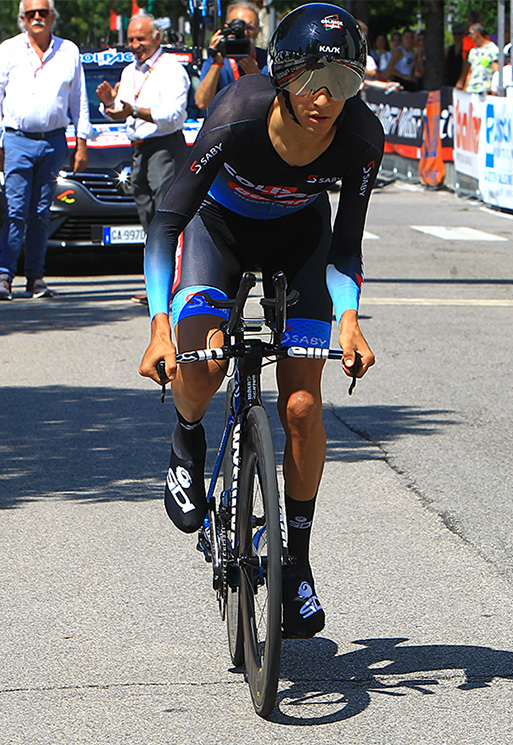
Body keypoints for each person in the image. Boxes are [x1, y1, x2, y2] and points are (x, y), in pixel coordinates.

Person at [139, 3, 384, 639]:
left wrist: (350, 320)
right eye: (310, 79)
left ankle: (296, 560)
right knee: (205, 361)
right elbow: (167, 223)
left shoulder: (361, 138)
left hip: (299, 242)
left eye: (344, 81)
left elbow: (347, 247)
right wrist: (160, 325)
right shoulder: (236, 116)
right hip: (216, 231)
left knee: (302, 406)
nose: (325, 97)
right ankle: (188, 434)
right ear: (282, 76)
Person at [96, 14, 189, 306]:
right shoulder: (129, 71)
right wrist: (110, 104)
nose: (135, 45)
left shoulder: (171, 69)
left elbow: (174, 115)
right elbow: (120, 110)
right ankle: (155, 285)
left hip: (164, 147)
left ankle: (176, 286)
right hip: (137, 148)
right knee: (148, 219)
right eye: (132, 39)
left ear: (157, 39)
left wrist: (133, 110)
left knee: (167, 219)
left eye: (141, 39)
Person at [0, 0, 89, 302]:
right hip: (16, 140)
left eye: (43, 13)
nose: (37, 18)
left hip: (53, 141)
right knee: (14, 211)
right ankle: (4, 274)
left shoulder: (69, 51)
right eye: (31, 14)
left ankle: (36, 278)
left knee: (40, 213)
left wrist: (82, 142)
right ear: (22, 19)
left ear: (53, 16)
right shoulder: (8, 49)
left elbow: (79, 100)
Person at [194, 1, 267, 112]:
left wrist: (255, 76)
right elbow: (202, 103)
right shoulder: (215, 61)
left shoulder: (268, 61)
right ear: (226, 27)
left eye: (249, 27)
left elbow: (274, 104)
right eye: (237, 26)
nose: (243, 32)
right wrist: (217, 62)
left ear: (258, 31)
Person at [464, 23, 499, 94]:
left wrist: (492, 88)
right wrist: (465, 88)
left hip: (484, 90)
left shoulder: (492, 49)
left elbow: (496, 71)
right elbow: (470, 72)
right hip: (471, 90)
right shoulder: (473, 51)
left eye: (470, 33)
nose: (469, 36)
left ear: (477, 33)